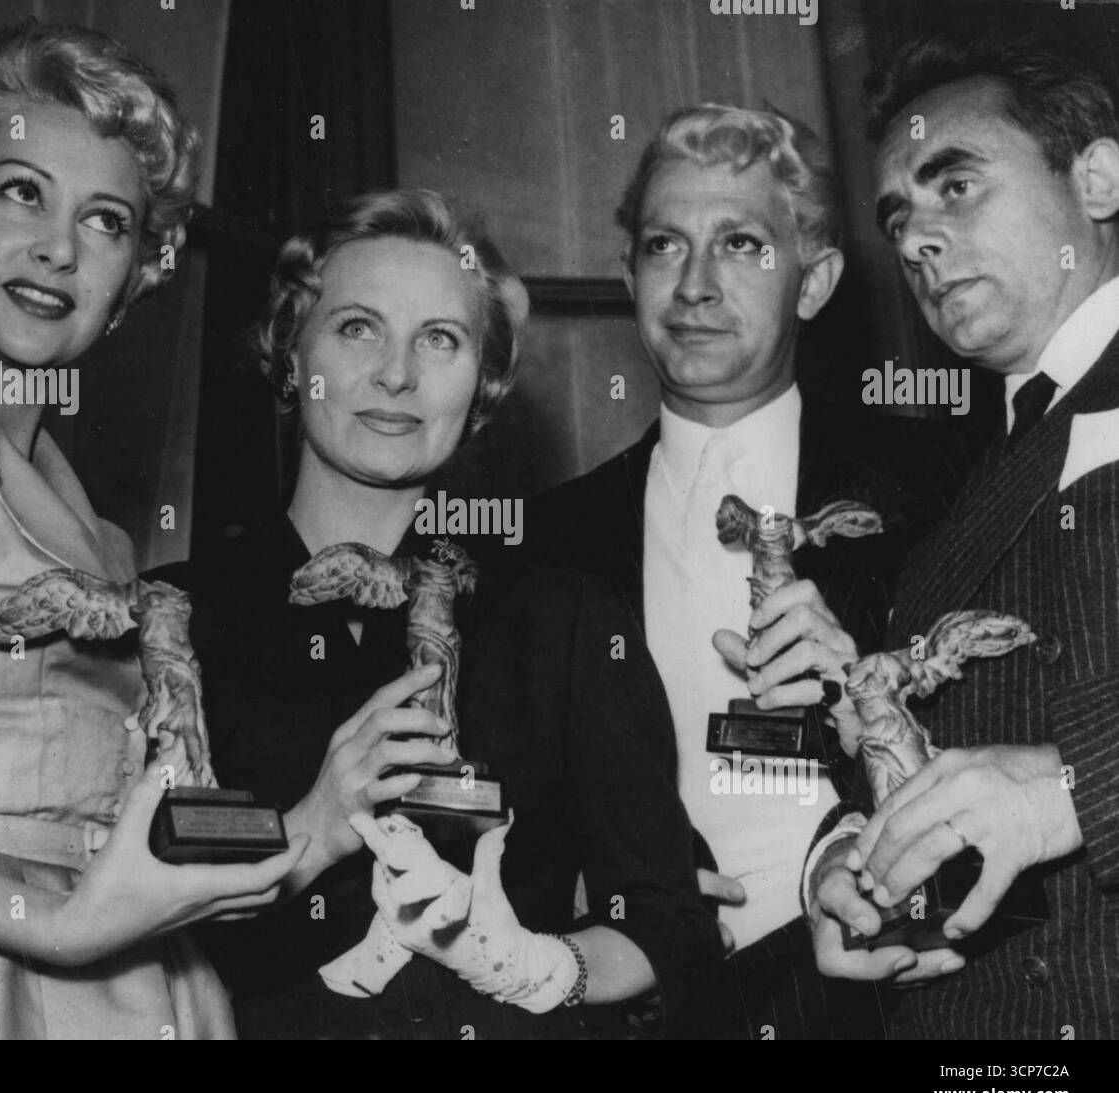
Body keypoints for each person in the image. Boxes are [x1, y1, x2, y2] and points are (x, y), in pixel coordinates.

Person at [0, 21, 306, 1041]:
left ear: (134, 280)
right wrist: (54, 923)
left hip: (134, 991)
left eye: (107, 222)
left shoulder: (107, 540)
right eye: (20, 191)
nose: (59, 247)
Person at [156, 188, 724, 1040]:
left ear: (483, 384)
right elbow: (144, 886)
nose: (397, 374)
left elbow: (668, 924)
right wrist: (311, 820)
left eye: (441, 339)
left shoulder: (562, 616)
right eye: (357, 327)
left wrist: (538, 966)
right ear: (287, 353)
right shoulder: (178, 618)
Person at [525, 104, 987, 1038]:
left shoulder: (944, 486)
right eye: (664, 245)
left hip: (886, 1001)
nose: (693, 285)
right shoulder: (549, 535)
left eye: (739, 243)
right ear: (629, 276)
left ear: (812, 282)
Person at [805, 33, 1119, 1039]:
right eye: (898, 216)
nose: (915, 241)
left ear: (1098, 178)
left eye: (955, 186)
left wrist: (1076, 780)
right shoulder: (949, 474)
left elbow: (1043, 772)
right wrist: (850, 856)